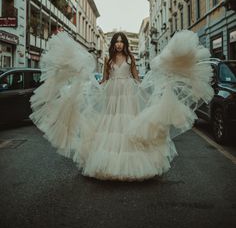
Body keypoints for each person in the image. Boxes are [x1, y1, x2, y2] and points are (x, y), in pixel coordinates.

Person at [30, 30, 214, 181]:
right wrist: (87, 84)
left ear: (125, 44)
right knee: (110, 125)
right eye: (116, 41)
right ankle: (109, 165)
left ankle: (134, 166)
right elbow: (103, 80)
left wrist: (156, 83)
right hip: (112, 96)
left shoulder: (130, 59)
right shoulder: (108, 61)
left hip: (128, 96)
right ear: (113, 44)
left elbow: (137, 78)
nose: (119, 44)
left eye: (121, 41)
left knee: (128, 126)